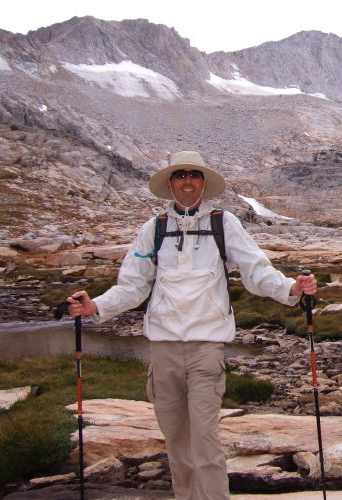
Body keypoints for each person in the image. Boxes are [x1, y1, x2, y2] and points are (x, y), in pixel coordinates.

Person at [67, 151, 316, 500]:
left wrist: (291, 288)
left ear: (203, 183)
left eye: (194, 175)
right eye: (180, 175)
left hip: (206, 348)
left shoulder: (223, 223)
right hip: (163, 348)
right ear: (170, 184)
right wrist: (96, 307)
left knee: (205, 438)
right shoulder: (153, 228)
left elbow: (255, 270)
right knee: (176, 443)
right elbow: (132, 285)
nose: (187, 181)